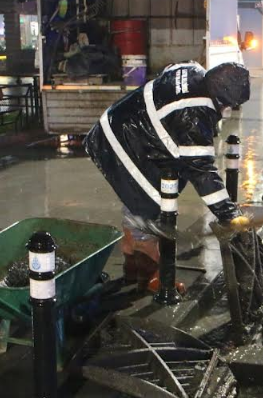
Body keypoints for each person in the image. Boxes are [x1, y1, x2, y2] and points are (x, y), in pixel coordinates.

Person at [85, 61, 251, 290]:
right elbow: (202, 171)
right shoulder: (195, 115)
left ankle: (131, 268)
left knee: (136, 205)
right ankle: (151, 277)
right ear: (221, 98)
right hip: (123, 145)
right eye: (228, 105)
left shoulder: (192, 70)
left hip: (112, 127)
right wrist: (228, 214)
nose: (226, 111)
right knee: (148, 205)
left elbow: (167, 75)